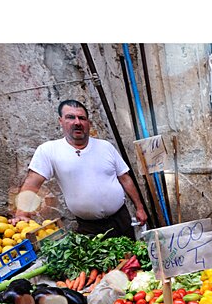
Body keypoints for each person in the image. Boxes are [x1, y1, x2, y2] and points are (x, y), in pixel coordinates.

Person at [13, 99, 146, 239]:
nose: (77, 122)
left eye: (82, 118)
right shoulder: (49, 150)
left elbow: (125, 178)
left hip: (121, 219)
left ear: (88, 123)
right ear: (61, 121)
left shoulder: (105, 146)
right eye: (70, 117)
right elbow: (32, 183)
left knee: (132, 251)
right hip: (89, 227)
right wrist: (21, 213)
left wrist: (140, 208)